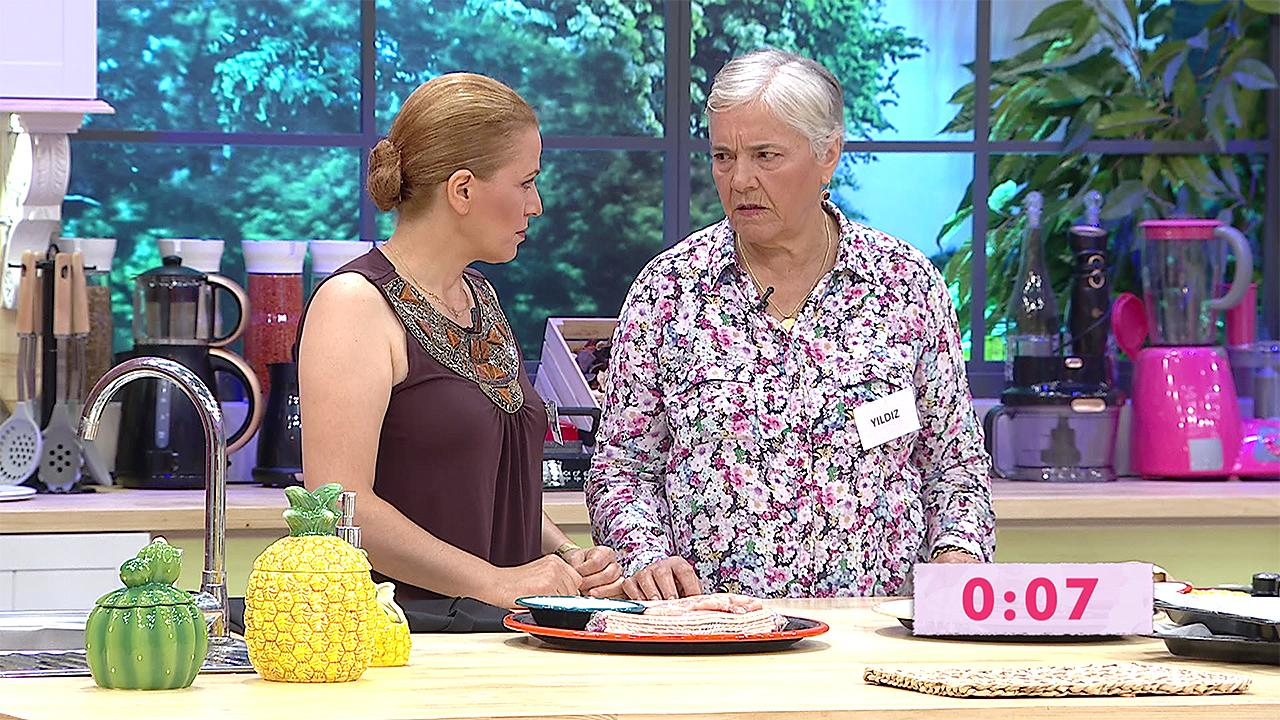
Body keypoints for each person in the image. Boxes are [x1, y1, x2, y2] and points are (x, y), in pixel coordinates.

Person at [585, 49, 994, 601]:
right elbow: (621, 470)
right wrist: (646, 557)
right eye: (723, 156)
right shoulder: (669, 291)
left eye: (766, 155)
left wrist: (957, 557)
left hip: (874, 631)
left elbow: (954, 465)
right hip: (711, 629)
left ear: (828, 155)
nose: (740, 180)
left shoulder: (906, 285)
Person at [298, 73, 623, 607]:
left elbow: (488, 481)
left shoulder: (479, 297)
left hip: (500, 634)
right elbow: (341, 507)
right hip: (405, 638)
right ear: (463, 190)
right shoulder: (353, 304)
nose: (536, 205)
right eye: (526, 182)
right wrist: (496, 583)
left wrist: (567, 555)